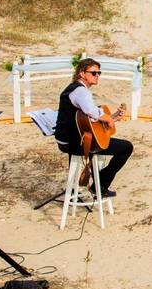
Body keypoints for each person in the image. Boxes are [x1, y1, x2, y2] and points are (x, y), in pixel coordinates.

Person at [54, 58, 133, 197]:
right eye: (93, 73)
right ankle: (100, 184)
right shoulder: (81, 91)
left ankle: (83, 185)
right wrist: (108, 118)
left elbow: (88, 120)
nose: (97, 76)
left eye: (99, 73)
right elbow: (91, 111)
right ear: (82, 73)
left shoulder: (72, 89)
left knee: (104, 141)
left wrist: (113, 117)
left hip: (67, 140)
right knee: (126, 147)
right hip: (75, 143)